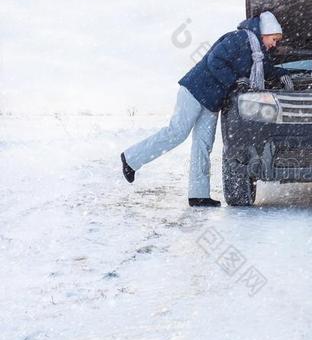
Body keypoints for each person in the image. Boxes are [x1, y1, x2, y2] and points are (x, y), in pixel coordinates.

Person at [120, 11, 293, 207]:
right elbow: (214, 61)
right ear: (265, 32)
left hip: (213, 101)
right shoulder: (238, 38)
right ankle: (130, 159)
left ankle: (198, 195)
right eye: (274, 39)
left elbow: (268, 70)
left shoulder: (258, 55)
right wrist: (236, 81)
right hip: (195, 90)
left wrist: (282, 74)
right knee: (176, 132)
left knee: (203, 145)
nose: (275, 44)